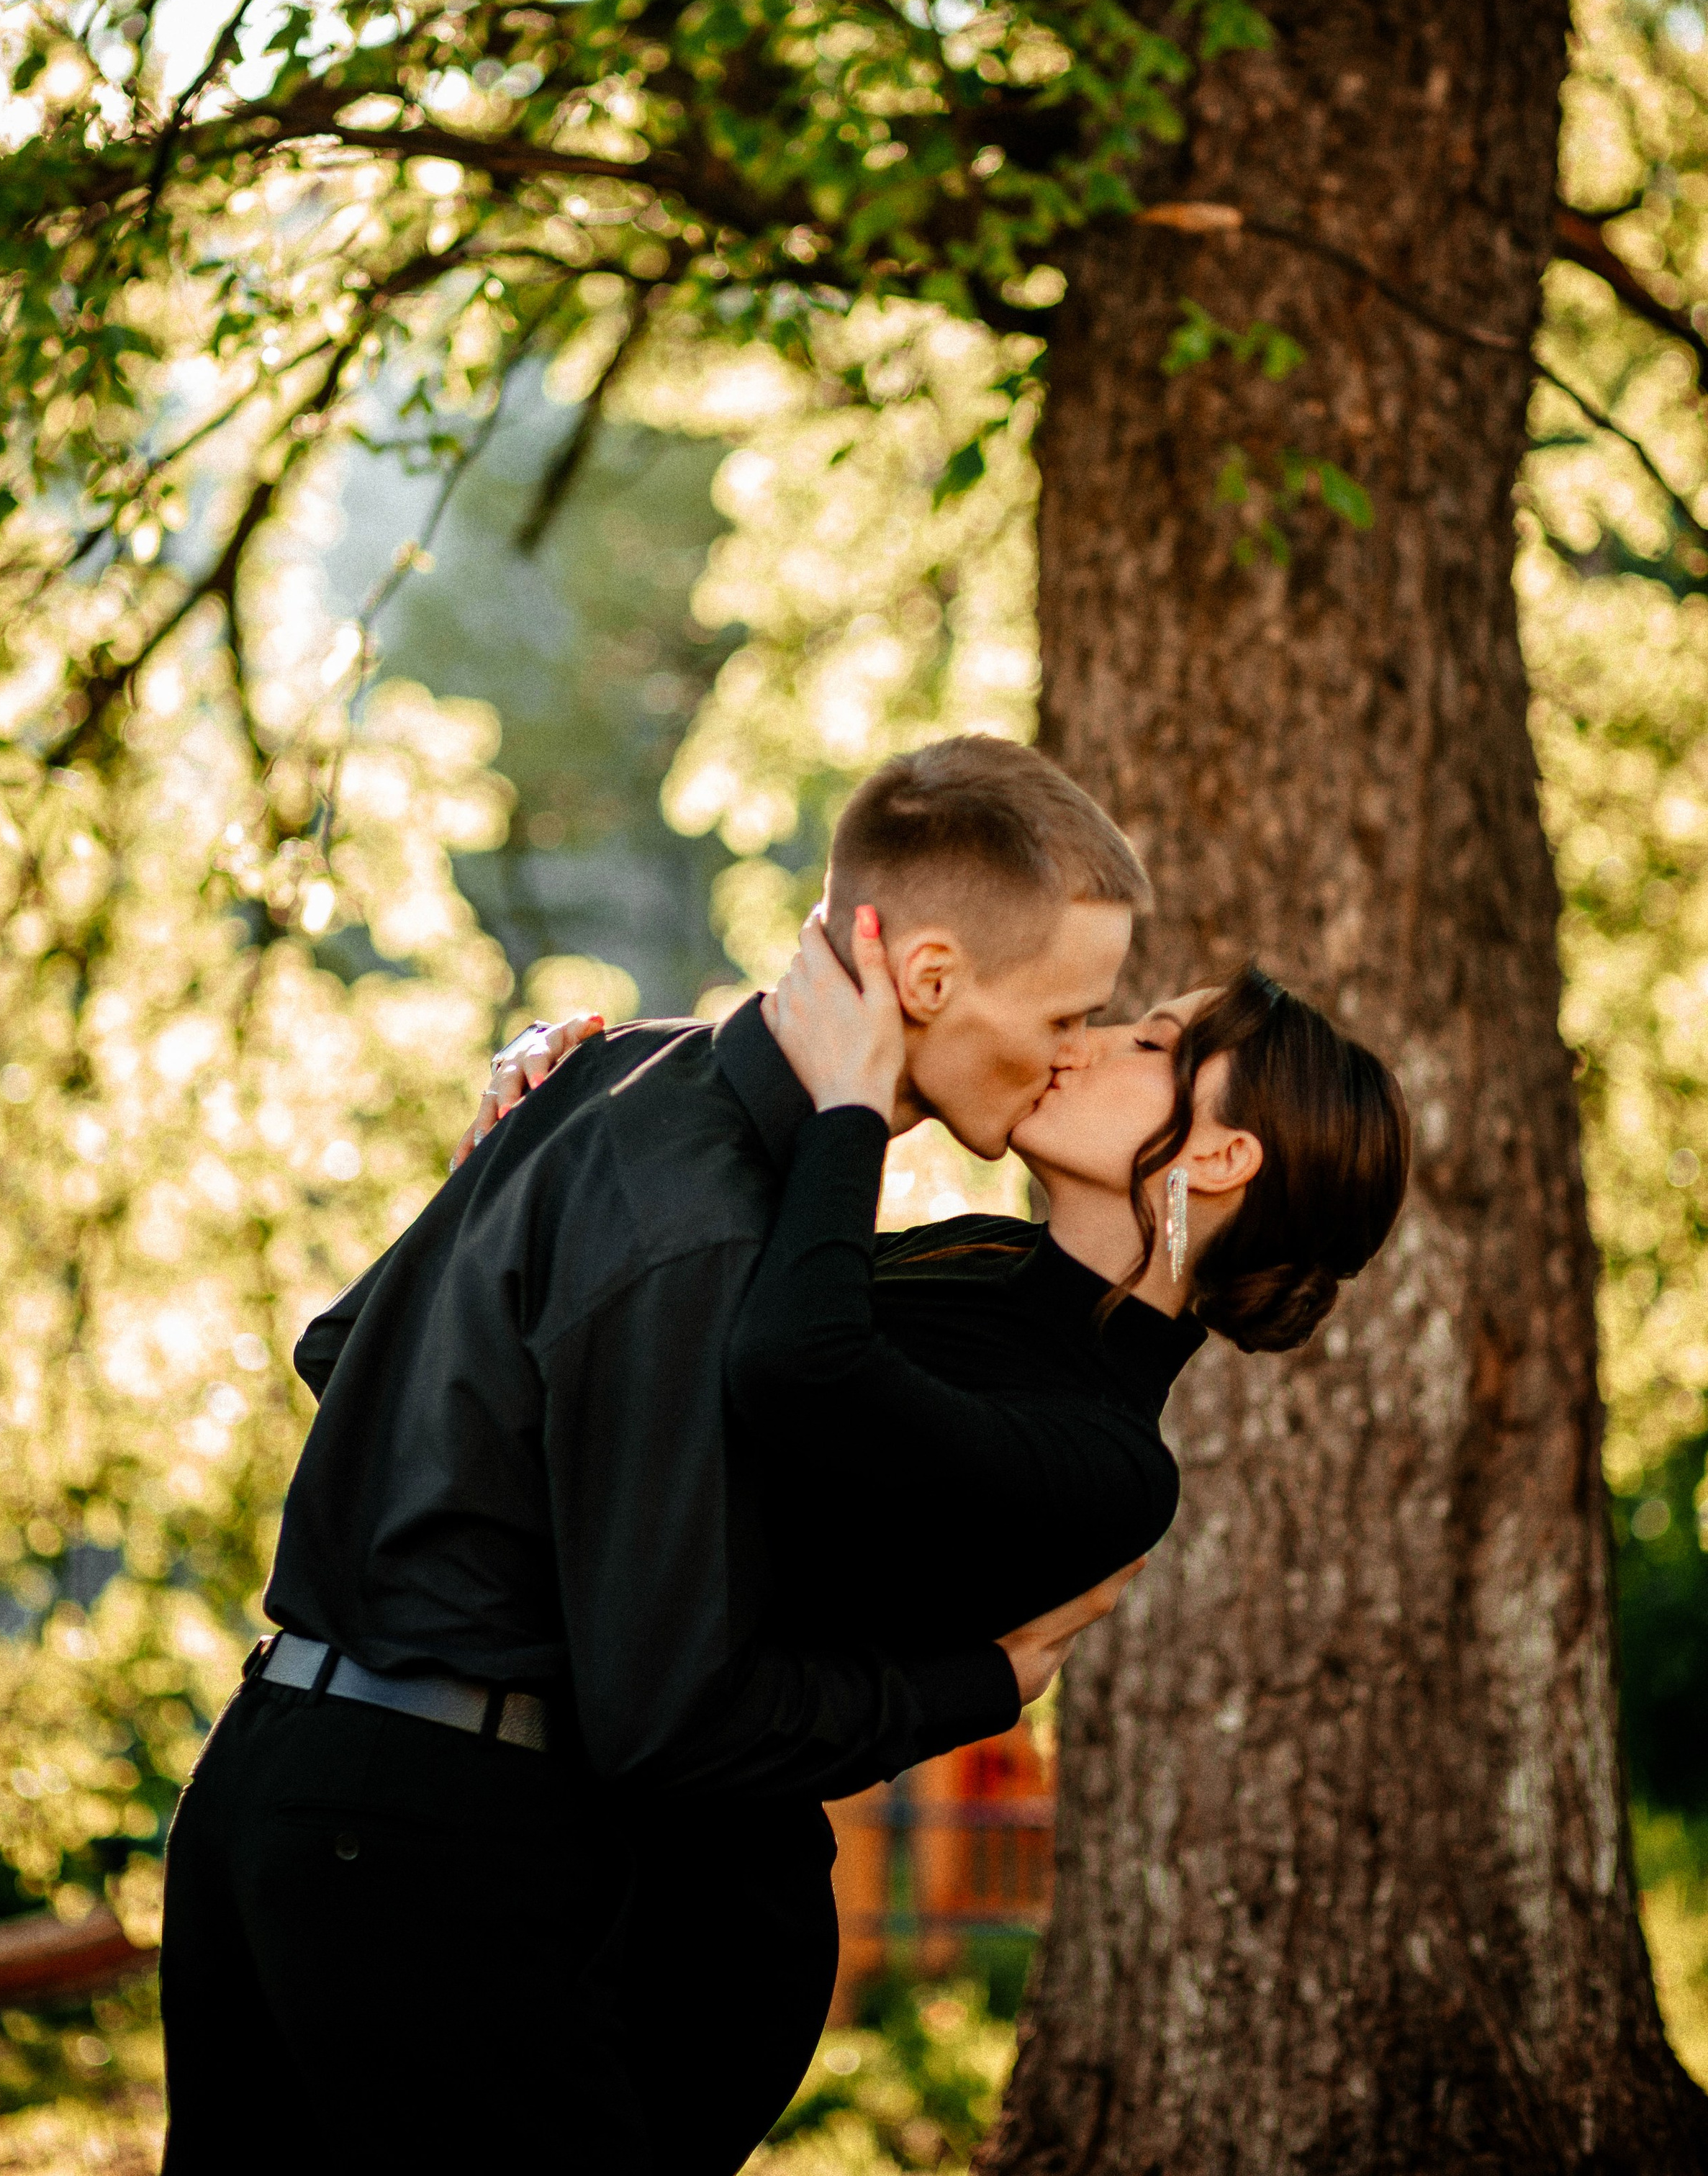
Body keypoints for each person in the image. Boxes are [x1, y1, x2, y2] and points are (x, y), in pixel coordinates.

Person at [155, 736, 1155, 2175]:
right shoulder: (712, 1223)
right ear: (926, 981)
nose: (1073, 1049)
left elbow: (344, 1352)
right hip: (423, 1854)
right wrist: (981, 1681)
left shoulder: (619, 1070)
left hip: (278, 1778)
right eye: (1065, 1010)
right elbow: (672, 1713)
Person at [464, 911, 1411, 2172]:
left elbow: (797, 1369)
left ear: (1224, 1155)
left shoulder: (1111, 1464)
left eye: (1151, 1040)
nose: (1081, 1043)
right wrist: (548, 1134)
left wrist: (852, 1105)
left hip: (686, 1932)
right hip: (524, 1848)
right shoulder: (984, 1254)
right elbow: (655, 1339)